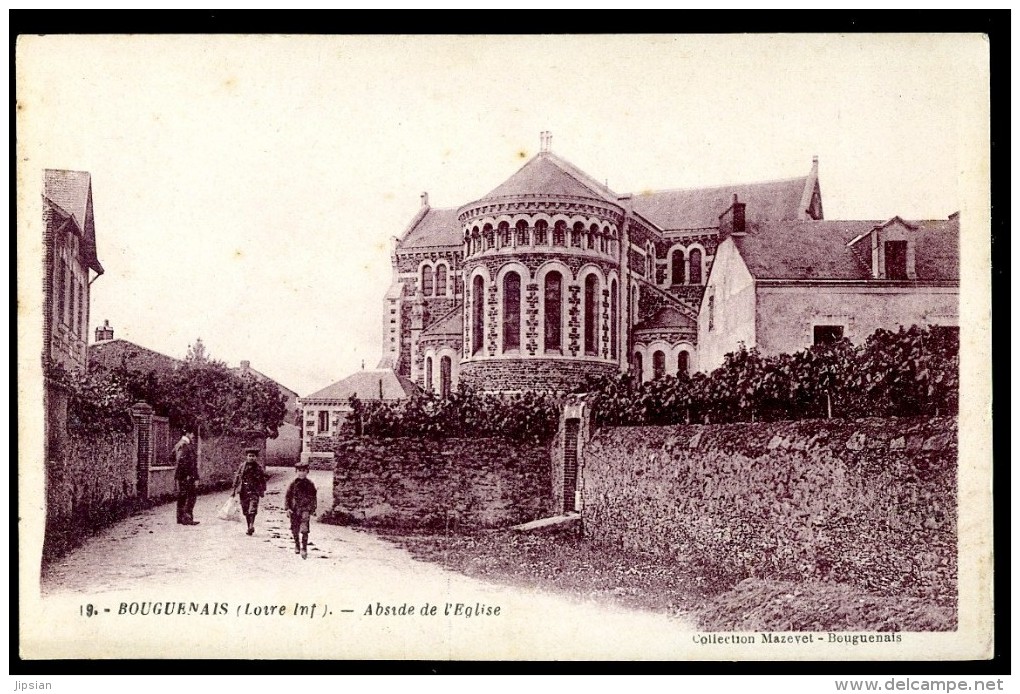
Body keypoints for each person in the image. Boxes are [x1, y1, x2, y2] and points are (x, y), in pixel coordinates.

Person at [284, 462, 317, 559]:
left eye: (304, 471)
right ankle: (297, 544)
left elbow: (313, 497)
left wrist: (313, 508)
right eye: (299, 471)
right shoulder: (293, 484)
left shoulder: (310, 484)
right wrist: (288, 508)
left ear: (307, 472)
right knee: (295, 529)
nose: (302, 473)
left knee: (304, 529)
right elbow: (287, 497)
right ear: (296, 472)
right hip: (294, 509)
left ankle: (304, 548)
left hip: (305, 509)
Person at [232, 448, 267, 536]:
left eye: (253, 456)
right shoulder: (242, 466)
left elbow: (263, 479)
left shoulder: (258, 468)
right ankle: (249, 527)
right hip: (243, 491)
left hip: (254, 491)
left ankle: (251, 525)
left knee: (253, 509)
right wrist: (234, 490)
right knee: (246, 510)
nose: (251, 458)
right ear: (246, 457)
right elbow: (237, 477)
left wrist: (262, 489)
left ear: (256, 457)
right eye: (249, 456)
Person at [173, 430, 199, 525]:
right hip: (187, 476)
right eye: (192, 433)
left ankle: (180, 518)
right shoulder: (184, 445)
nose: (193, 436)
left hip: (183, 476)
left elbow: (172, 457)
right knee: (190, 497)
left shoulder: (179, 444)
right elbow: (181, 461)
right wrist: (187, 475)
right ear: (187, 433)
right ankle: (186, 518)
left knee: (182, 496)